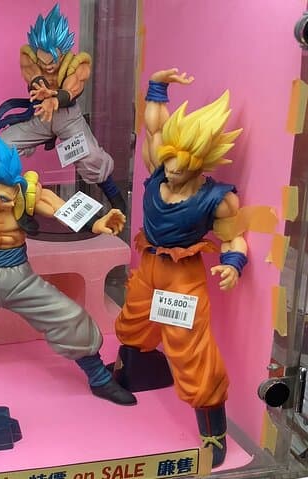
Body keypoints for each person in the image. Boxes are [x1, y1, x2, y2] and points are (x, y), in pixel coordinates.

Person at [0, 121, 136, 406]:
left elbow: (57, 206)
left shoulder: (23, 193)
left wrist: (96, 222)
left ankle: (99, 378)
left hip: (20, 278)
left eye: (14, 189)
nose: (12, 197)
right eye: (3, 195)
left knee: (69, 317)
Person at [114, 68, 246, 467]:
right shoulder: (159, 168)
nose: (171, 169)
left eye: (180, 166)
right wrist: (157, 86)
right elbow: (154, 128)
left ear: (200, 164)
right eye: (169, 160)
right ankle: (134, 374)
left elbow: (234, 237)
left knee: (192, 350)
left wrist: (233, 264)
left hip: (184, 275)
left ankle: (213, 433)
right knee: (133, 322)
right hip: (149, 263)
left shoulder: (217, 199)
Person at [0, 4, 125, 211]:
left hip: (68, 117)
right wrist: (41, 90)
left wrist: (55, 99)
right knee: (0, 146)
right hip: (40, 116)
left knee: (92, 158)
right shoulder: (28, 56)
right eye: (43, 61)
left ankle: (117, 200)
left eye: (52, 61)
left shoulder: (78, 63)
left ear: (63, 53)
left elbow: (72, 88)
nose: (48, 66)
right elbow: (32, 74)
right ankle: (11, 198)